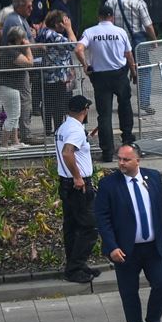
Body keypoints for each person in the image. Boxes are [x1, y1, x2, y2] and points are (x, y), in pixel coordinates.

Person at [94, 142, 162, 322]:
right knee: (129, 293)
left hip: (153, 247)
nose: (121, 163)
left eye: (126, 159)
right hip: (125, 251)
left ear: (138, 160)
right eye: (120, 159)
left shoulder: (152, 178)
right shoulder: (109, 185)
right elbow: (102, 219)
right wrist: (112, 246)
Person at [75, 5, 137, 163]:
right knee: (125, 107)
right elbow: (128, 54)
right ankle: (127, 141)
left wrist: (85, 65)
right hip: (119, 74)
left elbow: (78, 49)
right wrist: (134, 71)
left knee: (104, 115)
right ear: (112, 17)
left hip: (100, 76)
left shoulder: (90, 32)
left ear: (99, 16)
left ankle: (107, 152)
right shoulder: (120, 32)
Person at [54, 95, 101, 284]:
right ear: (85, 110)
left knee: (72, 226)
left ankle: (76, 265)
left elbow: (70, 147)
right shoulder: (75, 130)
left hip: (65, 183)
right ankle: (74, 268)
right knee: (90, 227)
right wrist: (78, 177)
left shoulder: (65, 126)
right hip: (77, 185)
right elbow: (67, 152)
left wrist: (88, 138)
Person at [104, 0, 157, 115]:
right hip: (137, 43)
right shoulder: (139, 2)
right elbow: (148, 25)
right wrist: (154, 41)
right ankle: (144, 102)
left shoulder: (110, 2)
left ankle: (124, 101)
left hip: (117, 44)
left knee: (121, 72)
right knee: (144, 71)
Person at [36, 10, 77, 134]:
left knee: (48, 101)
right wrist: (69, 29)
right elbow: (73, 45)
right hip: (56, 75)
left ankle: (48, 128)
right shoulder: (54, 35)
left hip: (48, 73)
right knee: (58, 103)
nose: (65, 25)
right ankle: (58, 128)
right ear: (57, 23)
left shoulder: (44, 32)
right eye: (63, 22)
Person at [0, 26, 33, 152]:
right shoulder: (11, 52)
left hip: (11, 87)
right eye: (22, 38)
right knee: (12, 115)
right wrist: (27, 48)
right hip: (8, 87)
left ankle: (15, 141)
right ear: (18, 39)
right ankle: (4, 145)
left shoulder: (12, 50)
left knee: (15, 115)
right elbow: (29, 63)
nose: (24, 41)